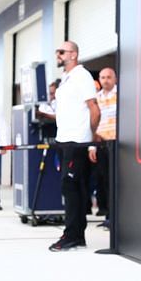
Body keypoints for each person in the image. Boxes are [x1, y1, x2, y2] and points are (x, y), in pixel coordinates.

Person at [47, 41, 99, 251]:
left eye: (62, 51)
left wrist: (91, 139)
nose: (58, 54)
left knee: (72, 188)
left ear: (74, 55)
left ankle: (72, 235)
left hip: (77, 141)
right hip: (64, 139)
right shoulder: (66, 79)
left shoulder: (82, 76)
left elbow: (94, 109)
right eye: (57, 51)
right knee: (70, 188)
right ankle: (77, 235)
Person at [93, 64, 118, 222]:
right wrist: (92, 145)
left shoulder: (121, 95)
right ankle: (108, 214)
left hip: (117, 143)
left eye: (109, 77)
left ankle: (116, 215)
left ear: (115, 79)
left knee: (115, 179)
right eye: (103, 77)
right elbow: (93, 122)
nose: (106, 80)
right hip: (101, 143)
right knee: (103, 180)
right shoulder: (96, 98)